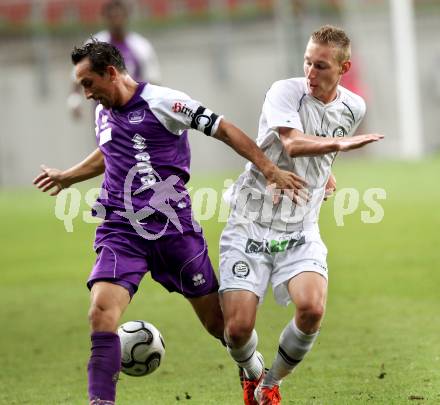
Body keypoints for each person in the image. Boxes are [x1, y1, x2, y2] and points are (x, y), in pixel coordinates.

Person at [33, 40, 305, 405]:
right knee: (100, 312)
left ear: (111, 73)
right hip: (122, 230)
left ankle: (255, 373)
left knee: (221, 327)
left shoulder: (165, 102)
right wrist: (68, 176)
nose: (85, 94)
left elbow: (223, 129)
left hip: (173, 230)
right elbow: (110, 150)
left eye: (88, 83)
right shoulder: (103, 111)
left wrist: (270, 170)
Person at [219, 25, 383, 405]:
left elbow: (322, 150)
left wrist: (326, 174)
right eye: (307, 62)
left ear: (344, 68)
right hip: (250, 222)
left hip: (299, 226)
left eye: (321, 66)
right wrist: (342, 143)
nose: (311, 72)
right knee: (238, 330)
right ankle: (252, 370)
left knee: (311, 309)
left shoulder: (354, 107)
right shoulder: (284, 91)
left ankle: (270, 384)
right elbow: (292, 143)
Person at [67, 0, 161, 119]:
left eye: (119, 15)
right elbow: (78, 74)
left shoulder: (140, 45)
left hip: (134, 113)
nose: (116, 20)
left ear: (126, 16)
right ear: (105, 18)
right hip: (106, 114)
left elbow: (153, 79)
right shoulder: (95, 45)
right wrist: (74, 99)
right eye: (112, 16)